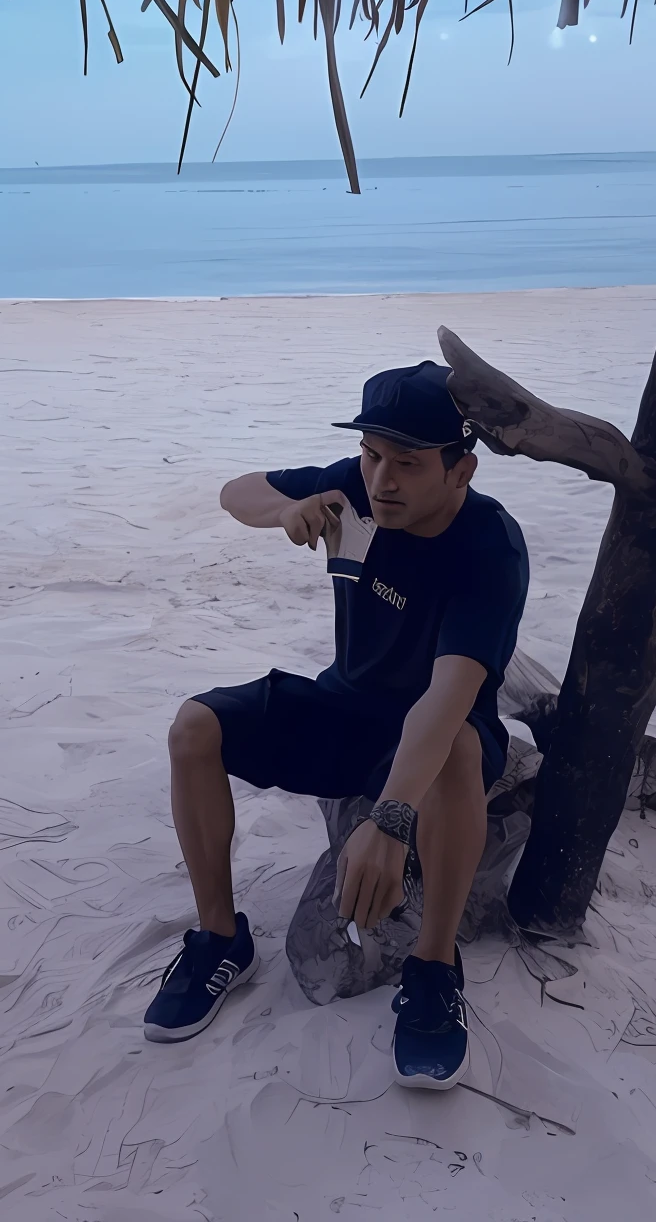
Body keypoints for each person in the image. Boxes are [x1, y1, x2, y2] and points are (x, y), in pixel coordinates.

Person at [143, 361, 529, 1089]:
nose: (383, 480)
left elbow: (447, 698)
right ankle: (221, 939)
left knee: (454, 748)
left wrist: (390, 819)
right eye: (372, 455)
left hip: (440, 733)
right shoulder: (354, 487)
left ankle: (434, 969)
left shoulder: (490, 546)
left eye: (408, 463)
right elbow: (237, 492)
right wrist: (291, 509)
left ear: (461, 469)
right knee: (194, 728)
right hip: (344, 706)